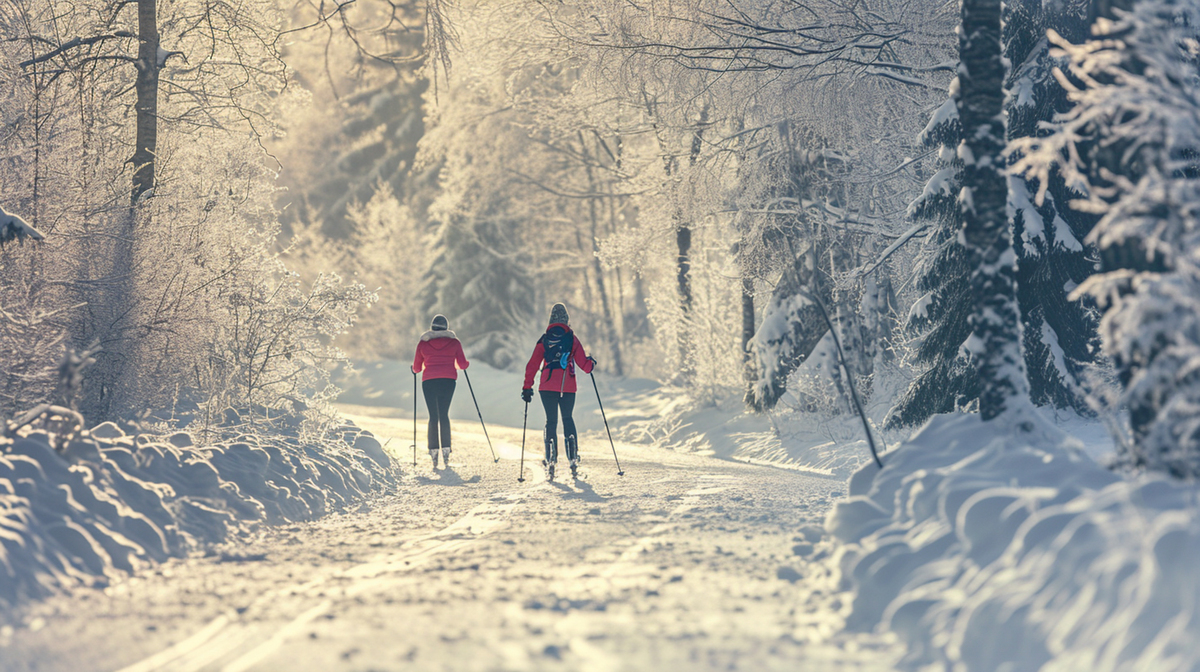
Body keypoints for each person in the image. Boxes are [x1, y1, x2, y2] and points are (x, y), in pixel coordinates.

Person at [522, 303, 595, 480]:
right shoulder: (572, 338)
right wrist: (591, 362)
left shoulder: (544, 339)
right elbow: (585, 366)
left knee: (551, 421)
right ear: (566, 319)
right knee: (568, 418)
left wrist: (527, 387)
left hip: (547, 387)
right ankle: (572, 457)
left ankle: (551, 458)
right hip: (568, 387)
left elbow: (532, 365)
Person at [412, 314, 469, 468]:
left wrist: (413, 368)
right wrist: (466, 363)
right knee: (444, 414)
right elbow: (463, 365)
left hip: (429, 381)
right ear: (446, 328)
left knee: (433, 416)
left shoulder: (423, 344)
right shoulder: (454, 343)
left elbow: (417, 368)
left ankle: (433, 450)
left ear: (432, 328)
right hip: (448, 381)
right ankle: (446, 448)